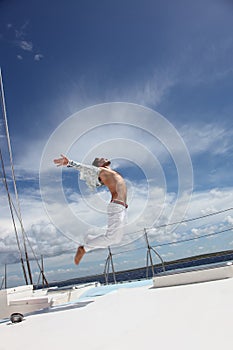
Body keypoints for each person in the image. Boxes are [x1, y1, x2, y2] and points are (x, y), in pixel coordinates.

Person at [53, 154, 128, 265]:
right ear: (99, 164)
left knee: (116, 239)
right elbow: (84, 168)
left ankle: (89, 239)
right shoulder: (101, 170)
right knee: (112, 238)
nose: (103, 157)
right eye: (99, 159)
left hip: (121, 207)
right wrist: (69, 162)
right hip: (117, 206)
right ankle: (84, 248)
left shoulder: (110, 172)